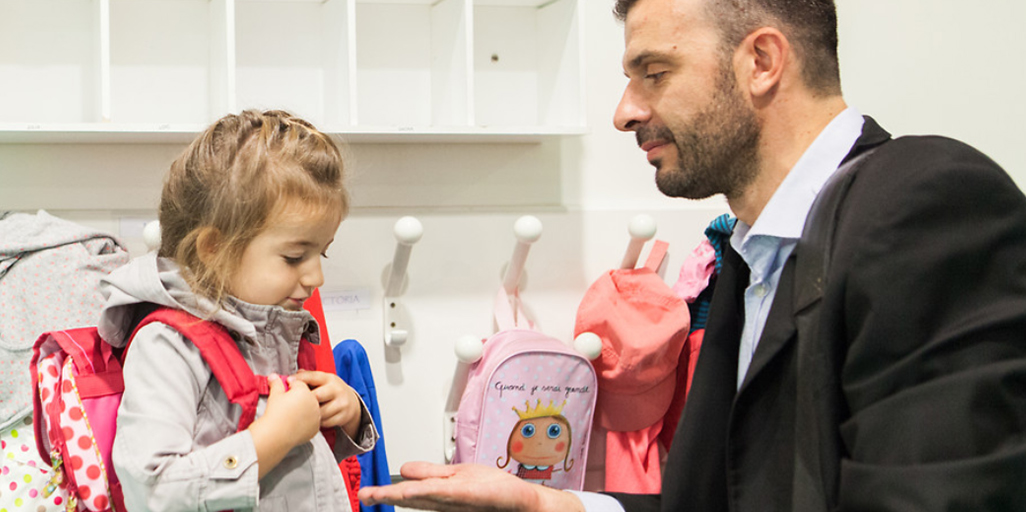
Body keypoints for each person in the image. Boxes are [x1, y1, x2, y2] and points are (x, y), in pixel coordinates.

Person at [359, 0, 1026, 510]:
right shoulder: (749, 256)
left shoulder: (927, 204)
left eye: (654, 72)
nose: (624, 112)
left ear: (762, 62)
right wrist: (548, 502)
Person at [101, 109, 378, 511]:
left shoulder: (275, 327)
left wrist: (344, 416)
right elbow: (153, 493)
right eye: (295, 256)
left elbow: (289, 478)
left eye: (322, 252)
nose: (316, 276)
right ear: (213, 249)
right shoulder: (167, 346)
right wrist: (275, 436)